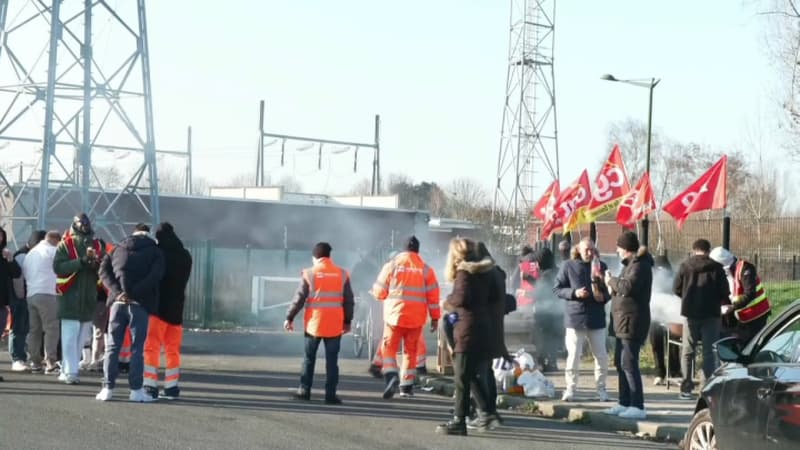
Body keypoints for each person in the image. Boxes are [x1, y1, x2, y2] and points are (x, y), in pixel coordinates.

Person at [96, 223, 165, 402]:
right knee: (137, 349)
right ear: (148, 233)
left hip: (117, 304)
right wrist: (134, 293)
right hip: (139, 304)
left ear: (133, 233)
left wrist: (118, 292)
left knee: (112, 347)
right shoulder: (155, 251)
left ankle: (107, 388)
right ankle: (136, 390)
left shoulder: (117, 248)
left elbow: (103, 271)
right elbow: (155, 276)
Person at [436, 238, 494, 436]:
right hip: (482, 325)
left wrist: (447, 301)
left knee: (461, 377)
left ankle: (459, 421)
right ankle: (486, 412)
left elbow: (461, 298)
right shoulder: (485, 271)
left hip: (466, 328)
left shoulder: (464, 271)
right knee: (469, 374)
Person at [284, 242, 354, 405]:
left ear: (315, 257)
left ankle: (304, 390)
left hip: (314, 325)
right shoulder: (341, 274)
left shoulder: (309, 273)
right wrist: (347, 321)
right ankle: (330, 395)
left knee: (309, 359)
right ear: (329, 256)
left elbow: (299, 299)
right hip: (335, 325)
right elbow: (349, 301)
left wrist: (289, 317)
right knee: (332, 361)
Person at [371, 236, 440, 399]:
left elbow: (380, 291)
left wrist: (377, 295)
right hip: (416, 318)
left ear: (403, 250)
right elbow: (434, 298)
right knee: (410, 352)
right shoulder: (426, 270)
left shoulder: (392, 266)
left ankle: (391, 376)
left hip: (394, 317)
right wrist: (435, 318)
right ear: (417, 250)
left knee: (389, 349)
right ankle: (406, 387)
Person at [553, 237, 610, 402]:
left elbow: (608, 291)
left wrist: (603, 297)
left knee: (601, 356)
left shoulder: (601, 266)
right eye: (586, 250)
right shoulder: (568, 266)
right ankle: (570, 389)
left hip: (596, 318)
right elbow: (557, 289)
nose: (590, 253)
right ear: (578, 250)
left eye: (592, 250)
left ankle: (601, 389)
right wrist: (574, 293)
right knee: (573, 356)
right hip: (575, 318)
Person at [604, 232, 653, 420]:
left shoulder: (640, 266)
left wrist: (611, 280)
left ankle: (637, 404)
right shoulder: (630, 265)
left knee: (629, 363)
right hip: (621, 321)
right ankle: (623, 402)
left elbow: (627, 288)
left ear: (627, 249)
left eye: (619, 247)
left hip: (632, 321)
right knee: (620, 362)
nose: (616, 250)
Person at [672, 239, 730, 400]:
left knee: (688, 351)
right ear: (708, 250)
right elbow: (725, 291)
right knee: (709, 352)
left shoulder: (685, 266)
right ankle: (706, 389)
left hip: (691, 314)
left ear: (694, 249)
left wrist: (687, 298)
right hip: (711, 315)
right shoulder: (717, 268)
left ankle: (686, 388)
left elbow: (676, 288)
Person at [143, 223, 193, 400]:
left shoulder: (159, 254)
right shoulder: (186, 256)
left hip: (158, 309)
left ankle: (149, 384)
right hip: (177, 310)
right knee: (173, 350)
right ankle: (172, 387)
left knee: (152, 347)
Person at [53, 214, 104, 385]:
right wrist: (81, 262)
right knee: (69, 336)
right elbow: (58, 267)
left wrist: (96, 264)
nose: (84, 225)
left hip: (88, 297)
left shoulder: (97, 244)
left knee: (81, 338)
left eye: (86, 223)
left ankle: (67, 369)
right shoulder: (65, 244)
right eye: (81, 223)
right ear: (74, 224)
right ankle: (71, 371)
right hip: (69, 297)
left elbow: (104, 269)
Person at [466, 241, 508, 431]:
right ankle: (489, 409)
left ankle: (485, 412)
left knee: (479, 371)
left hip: (482, 327)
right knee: (487, 370)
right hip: (494, 326)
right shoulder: (497, 272)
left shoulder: (483, 274)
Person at [709, 247, 770, 343]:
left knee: (753, 344)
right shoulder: (727, 272)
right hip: (742, 315)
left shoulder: (745, 268)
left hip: (756, 313)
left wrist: (733, 307)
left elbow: (750, 293)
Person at [23, 231, 61, 374]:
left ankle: (35, 362)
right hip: (48, 293)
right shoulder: (53, 250)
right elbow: (61, 269)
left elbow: (25, 273)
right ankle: (50, 362)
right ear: (56, 240)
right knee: (51, 328)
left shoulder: (31, 254)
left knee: (35, 330)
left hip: (31, 294)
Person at [7, 230, 46, 372]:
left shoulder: (28, 254)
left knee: (27, 328)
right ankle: (17, 358)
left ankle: (23, 356)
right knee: (19, 328)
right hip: (21, 297)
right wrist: (20, 296)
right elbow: (17, 278)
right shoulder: (23, 256)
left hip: (28, 295)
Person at [532, 247, 563, 372]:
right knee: (554, 339)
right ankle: (552, 362)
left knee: (543, 338)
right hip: (558, 312)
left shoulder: (545, 276)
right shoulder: (559, 271)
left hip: (545, 313)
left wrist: (527, 294)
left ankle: (544, 363)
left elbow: (541, 294)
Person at [0, 225, 23, 382]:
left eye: (1, 236)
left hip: (2, 303)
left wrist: (10, 259)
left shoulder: (5, 255)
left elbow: (16, 273)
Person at [511, 244, 537, 309]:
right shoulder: (537, 264)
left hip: (524, 301)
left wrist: (516, 293)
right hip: (536, 300)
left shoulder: (522, 265)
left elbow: (513, 282)